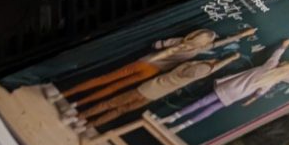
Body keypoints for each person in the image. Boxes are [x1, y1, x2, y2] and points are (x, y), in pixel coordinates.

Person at [61, 27, 255, 105]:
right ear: (205, 42)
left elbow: (157, 45)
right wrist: (241, 36)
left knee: (104, 79)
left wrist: (166, 45)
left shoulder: (182, 41)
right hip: (153, 71)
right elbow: (220, 43)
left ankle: (66, 94)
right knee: (114, 87)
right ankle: (77, 103)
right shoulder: (197, 50)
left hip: (146, 62)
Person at [159, 39, 289, 133]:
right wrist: (251, 100)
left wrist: (284, 45)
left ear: (286, 64)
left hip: (232, 86)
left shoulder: (271, 66)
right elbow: (261, 92)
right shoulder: (273, 80)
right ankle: (180, 127)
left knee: (202, 102)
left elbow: (277, 53)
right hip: (238, 95)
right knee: (211, 109)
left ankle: (173, 117)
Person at [74, 51, 245, 130]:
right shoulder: (198, 74)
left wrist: (224, 58)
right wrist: (230, 59)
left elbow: (201, 66)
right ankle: (89, 125)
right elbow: (212, 68)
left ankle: (81, 117)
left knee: (111, 103)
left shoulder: (185, 69)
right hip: (153, 96)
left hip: (147, 89)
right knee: (120, 110)